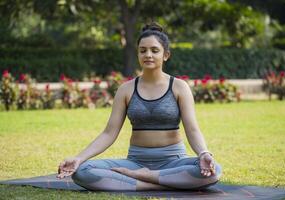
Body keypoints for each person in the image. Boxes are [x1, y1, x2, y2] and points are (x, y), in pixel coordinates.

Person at [57, 22, 222, 191]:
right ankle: (160, 183)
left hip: (173, 162)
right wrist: (79, 158)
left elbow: (192, 130)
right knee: (82, 171)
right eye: (143, 50)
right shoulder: (126, 89)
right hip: (135, 163)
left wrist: (204, 153)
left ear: (166, 55)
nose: (148, 55)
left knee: (213, 170)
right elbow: (109, 133)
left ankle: (146, 178)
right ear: (137, 54)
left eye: (154, 50)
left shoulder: (179, 87)